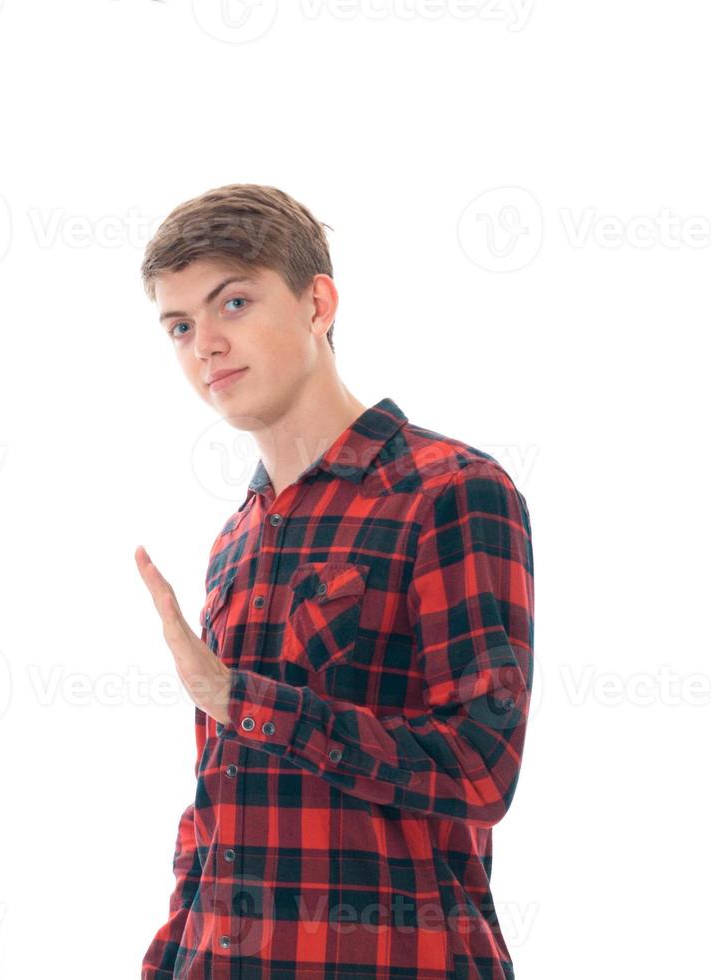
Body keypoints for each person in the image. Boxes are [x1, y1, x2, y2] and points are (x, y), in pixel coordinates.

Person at [132, 184, 535, 979]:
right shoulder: (238, 537)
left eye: (234, 303)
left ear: (318, 302)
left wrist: (240, 700)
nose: (204, 344)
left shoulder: (449, 490)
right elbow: (221, 798)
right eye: (179, 326)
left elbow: (482, 766)